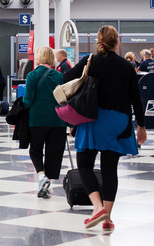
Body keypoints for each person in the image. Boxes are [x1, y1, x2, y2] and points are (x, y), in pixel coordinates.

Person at [63, 26, 148, 232]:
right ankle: (107, 219)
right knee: (110, 169)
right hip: (118, 121)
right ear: (116, 42)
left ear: (98, 41)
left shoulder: (90, 61)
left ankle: (98, 207)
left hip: (93, 119)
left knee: (84, 164)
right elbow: (136, 99)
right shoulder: (127, 66)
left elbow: (66, 79)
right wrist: (142, 127)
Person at [22, 47, 65, 199]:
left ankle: (42, 177)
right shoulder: (59, 76)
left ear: (39, 58)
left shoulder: (32, 75)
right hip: (57, 120)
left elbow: (28, 100)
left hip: (37, 119)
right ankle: (48, 184)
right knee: (54, 153)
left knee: (35, 150)